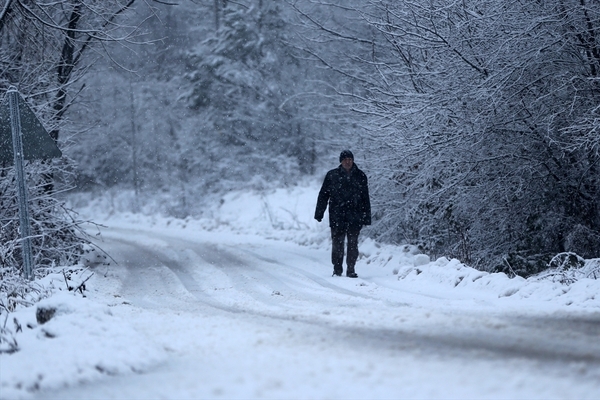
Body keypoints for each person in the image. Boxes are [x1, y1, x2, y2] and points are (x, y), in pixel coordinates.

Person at [314, 150, 371, 278]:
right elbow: (323, 195)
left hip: (355, 215)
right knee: (337, 243)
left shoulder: (360, 176)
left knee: (353, 243)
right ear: (341, 161)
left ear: (353, 160)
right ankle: (337, 268)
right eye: (345, 159)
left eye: (350, 159)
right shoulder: (332, 175)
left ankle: (351, 269)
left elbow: (365, 198)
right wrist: (319, 213)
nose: (348, 161)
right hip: (337, 215)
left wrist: (367, 216)